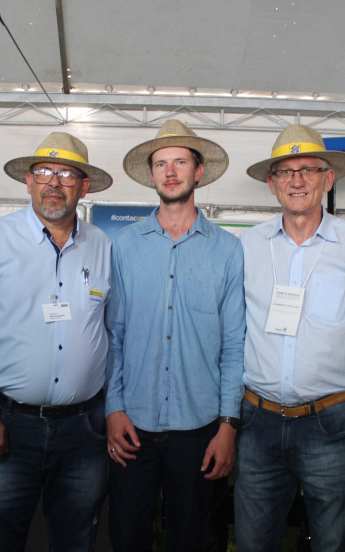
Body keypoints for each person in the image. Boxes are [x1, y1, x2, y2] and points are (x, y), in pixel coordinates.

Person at [0, 132, 113, 552]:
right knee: (2, 538)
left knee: (77, 539)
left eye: (66, 174)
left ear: (84, 186)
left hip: (84, 429)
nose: (53, 183)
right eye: (43, 172)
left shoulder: (102, 245)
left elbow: (112, 330)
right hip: (9, 423)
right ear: (28, 181)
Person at [234, 125, 345, 552]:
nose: (297, 180)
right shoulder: (248, 246)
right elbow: (234, 334)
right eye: (286, 172)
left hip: (332, 424)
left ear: (329, 178)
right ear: (272, 184)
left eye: (309, 169)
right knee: (253, 542)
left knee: (333, 543)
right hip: (258, 422)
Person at [105, 120, 245, 552]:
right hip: (133, 424)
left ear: (198, 171)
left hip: (199, 428)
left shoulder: (228, 249)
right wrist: (113, 409)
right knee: (128, 537)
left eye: (180, 162)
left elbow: (234, 345)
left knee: (192, 539)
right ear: (151, 175)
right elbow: (113, 335)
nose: (170, 172)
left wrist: (228, 426)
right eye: (161, 164)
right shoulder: (124, 245)